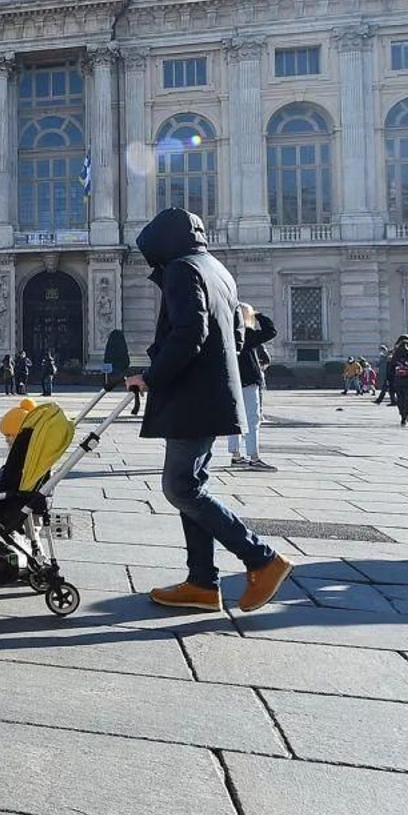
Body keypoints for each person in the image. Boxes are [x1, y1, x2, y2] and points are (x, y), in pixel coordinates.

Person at [123, 208, 292, 614]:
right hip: (211, 396)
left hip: (191, 399)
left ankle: (262, 559)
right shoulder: (218, 269)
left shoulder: (183, 269)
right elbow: (234, 336)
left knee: (180, 488)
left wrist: (152, 376)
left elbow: (189, 332)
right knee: (191, 487)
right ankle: (201, 582)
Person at [226, 304, 277, 471]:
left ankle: (235, 455)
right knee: (252, 419)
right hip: (248, 381)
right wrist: (258, 314)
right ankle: (254, 457)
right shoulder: (246, 334)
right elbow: (271, 331)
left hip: (232, 382)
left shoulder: (226, 333)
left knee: (234, 419)